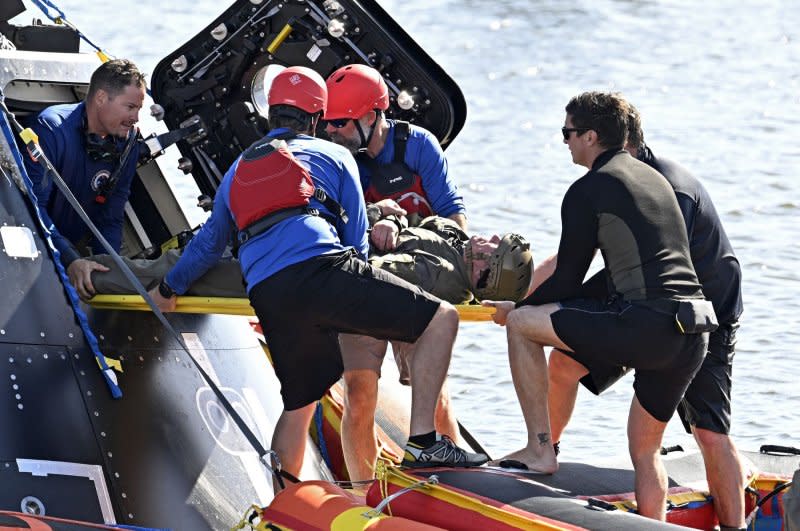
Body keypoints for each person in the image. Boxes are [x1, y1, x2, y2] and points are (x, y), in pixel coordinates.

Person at [147, 66, 487, 479]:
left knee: (299, 407)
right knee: (441, 319)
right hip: (324, 270)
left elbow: (208, 244)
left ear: (269, 116)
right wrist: (369, 300)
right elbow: (356, 243)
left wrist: (168, 288)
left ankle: (284, 501)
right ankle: (424, 446)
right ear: (313, 120)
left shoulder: (238, 167)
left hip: (268, 293)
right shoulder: (336, 155)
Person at [482, 91, 716, 521]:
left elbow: (568, 278)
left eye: (568, 133)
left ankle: (540, 448)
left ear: (591, 136)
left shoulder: (588, 189)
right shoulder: (656, 180)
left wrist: (513, 308)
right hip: (693, 332)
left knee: (521, 325)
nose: (565, 142)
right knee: (645, 452)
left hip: (646, 326)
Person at [546, 104, 746, 529]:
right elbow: (579, 259)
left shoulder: (664, 190)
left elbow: (657, 274)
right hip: (641, 311)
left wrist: (555, 305)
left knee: (708, 433)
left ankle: (734, 527)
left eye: (570, 134)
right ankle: (545, 450)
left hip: (702, 317)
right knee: (564, 363)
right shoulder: (624, 182)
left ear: (626, 146)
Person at [323, 63, 468, 480]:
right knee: (359, 393)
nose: (330, 131)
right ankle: (361, 493)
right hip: (363, 286)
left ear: (371, 117)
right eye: (327, 123)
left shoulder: (418, 146)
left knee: (433, 394)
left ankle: (457, 483)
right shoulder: (333, 156)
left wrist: (402, 226)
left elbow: (455, 223)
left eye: (339, 123)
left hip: (414, 284)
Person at [337, 215, 532, 480]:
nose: (494, 238)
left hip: (371, 294)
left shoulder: (437, 274)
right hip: (370, 281)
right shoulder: (459, 240)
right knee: (365, 397)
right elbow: (416, 219)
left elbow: (364, 270)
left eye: (495, 249)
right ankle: (366, 487)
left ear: (482, 273)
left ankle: (372, 486)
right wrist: (392, 220)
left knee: (362, 396)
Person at [25, 58, 146, 300]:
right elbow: (31, 209)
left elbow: (110, 218)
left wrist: (111, 270)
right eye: (130, 107)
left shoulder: (129, 144)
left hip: (69, 250)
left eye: (139, 109)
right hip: (33, 248)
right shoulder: (51, 130)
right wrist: (71, 259)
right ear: (101, 98)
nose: (136, 118)